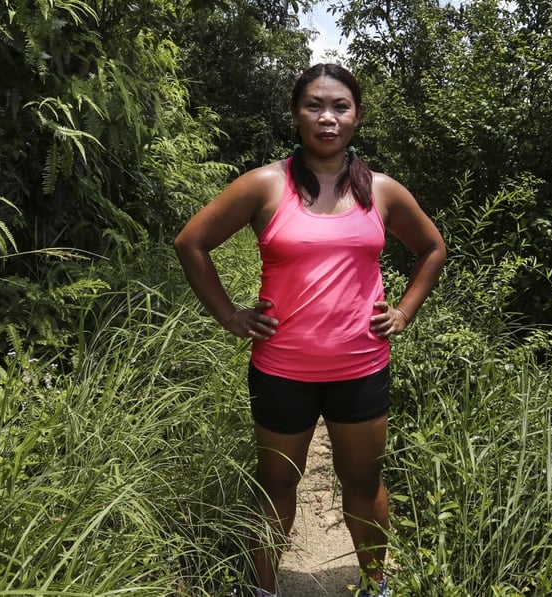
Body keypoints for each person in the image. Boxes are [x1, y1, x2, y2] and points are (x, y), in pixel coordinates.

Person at [173, 63, 445, 597]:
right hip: (281, 370)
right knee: (277, 485)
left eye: (340, 106)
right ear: (296, 114)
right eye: (314, 105)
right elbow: (191, 242)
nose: (327, 117)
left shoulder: (382, 191)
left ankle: (375, 586)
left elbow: (432, 249)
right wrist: (230, 315)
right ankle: (264, 590)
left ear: (357, 116)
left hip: (361, 367)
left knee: (363, 485)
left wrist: (404, 311)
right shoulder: (265, 185)